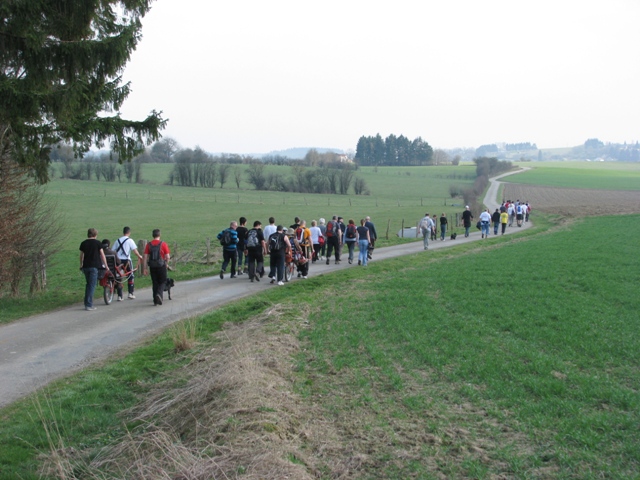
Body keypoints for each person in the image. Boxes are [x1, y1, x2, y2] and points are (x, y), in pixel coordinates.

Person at [79, 228, 108, 311]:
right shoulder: (98, 243)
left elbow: (81, 256)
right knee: (92, 285)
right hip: (94, 267)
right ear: (95, 235)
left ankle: (87, 302)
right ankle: (88, 304)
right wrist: (106, 265)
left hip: (85, 267)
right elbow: (102, 255)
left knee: (88, 284)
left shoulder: (83, 243)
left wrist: (81, 264)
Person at [114, 226, 143, 299]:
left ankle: (119, 296)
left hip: (118, 261)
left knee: (119, 277)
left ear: (123, 232)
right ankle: (130, 293)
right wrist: (139, 256)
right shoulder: (130, 240)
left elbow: (113, 250)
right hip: (127, 261)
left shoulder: (117, 240)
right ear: (129, 232)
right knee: (130, 276)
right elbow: (135, 251)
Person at [143, 228, 170, 305]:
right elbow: (167, 256)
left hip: (152, 266)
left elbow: (145, 257)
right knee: (163, 281)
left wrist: (145, 268)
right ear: (159, 235)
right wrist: (166, 264)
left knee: (155, 282)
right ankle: (159, 294)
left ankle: (155, 300)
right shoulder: (163, 244)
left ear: (153, 235)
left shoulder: (149, 244)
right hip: (161, 265)